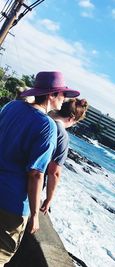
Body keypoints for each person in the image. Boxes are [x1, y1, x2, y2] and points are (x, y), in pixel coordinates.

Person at [0, 71, 80, 266]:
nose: (64, 100)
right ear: (52, 95)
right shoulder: (47, 126)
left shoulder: (11, 107)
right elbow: (36, 174)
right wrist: (35, 214)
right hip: (12, 203)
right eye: (62, 94)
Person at [40, 98, 88, 214]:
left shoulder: (40, 117)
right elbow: (54, 172)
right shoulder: (62, 135)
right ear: (71, 118)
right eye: (75, 122)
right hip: (26, 186)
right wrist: (48, 199)